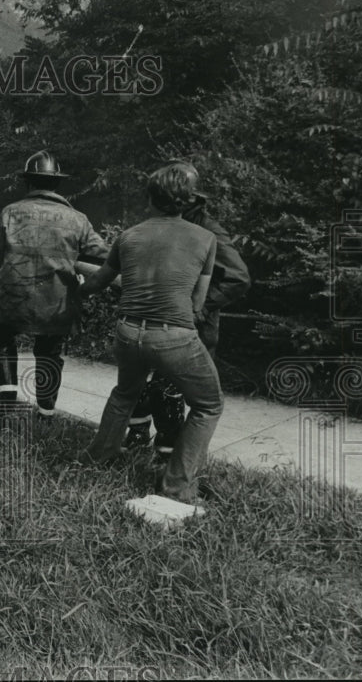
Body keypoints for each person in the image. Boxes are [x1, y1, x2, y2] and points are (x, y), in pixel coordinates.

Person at [79, 164, 223, 503]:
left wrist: (76, 290)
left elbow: (98, 282)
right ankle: (177, 487)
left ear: (150, 198)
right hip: (174, 335)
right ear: (189, 201)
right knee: (208, 404)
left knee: (124, 394)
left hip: (128, 332)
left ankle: (94, 461)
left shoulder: (128, 235)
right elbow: (198, 302)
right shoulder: (206, 238)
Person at [124, 161, 251, 458]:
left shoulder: (208, 231)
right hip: (156, 320)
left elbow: (238, 278)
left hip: (191, 326)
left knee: (170, 389)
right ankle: (139, 434)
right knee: (141, 378)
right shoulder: (167, 227)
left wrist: (200, 307)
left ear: (191, 199)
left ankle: (168, 456)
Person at [0, 151, 109, 417]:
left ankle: (7, 402)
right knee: (49, 351)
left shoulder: (10, 212)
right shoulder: (78, 219)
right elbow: (103, 254)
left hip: (13, 299)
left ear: (28, 183)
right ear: (57, 184)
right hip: (56, 303)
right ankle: (46, 411)